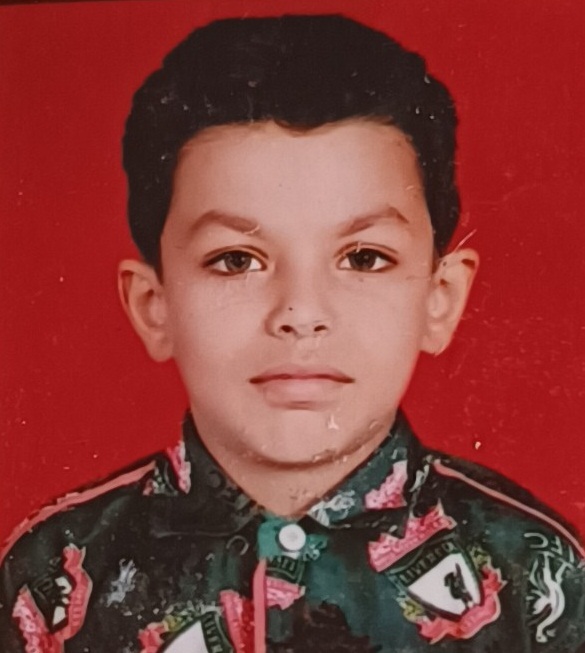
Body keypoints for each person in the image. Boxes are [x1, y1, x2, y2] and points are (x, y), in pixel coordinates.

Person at [1, 14, 583, 653]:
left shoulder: (535, 570)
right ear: (153, 305)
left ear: (439, 299)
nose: (301, 313)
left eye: (364, 258)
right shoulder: (51, 572)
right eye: (236, 260)